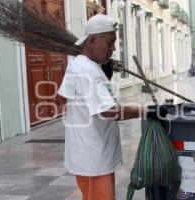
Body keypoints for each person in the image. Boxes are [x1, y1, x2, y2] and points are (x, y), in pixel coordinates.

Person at [58, 14, 167, 200]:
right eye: (110, 43)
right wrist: (147, 110)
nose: (114, 48)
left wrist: (101, 79)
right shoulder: (88, 71)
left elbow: (61, 98)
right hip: (93, 159)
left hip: (86, 154)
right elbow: (109, 112)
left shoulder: (78, 64)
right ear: (92, 40)